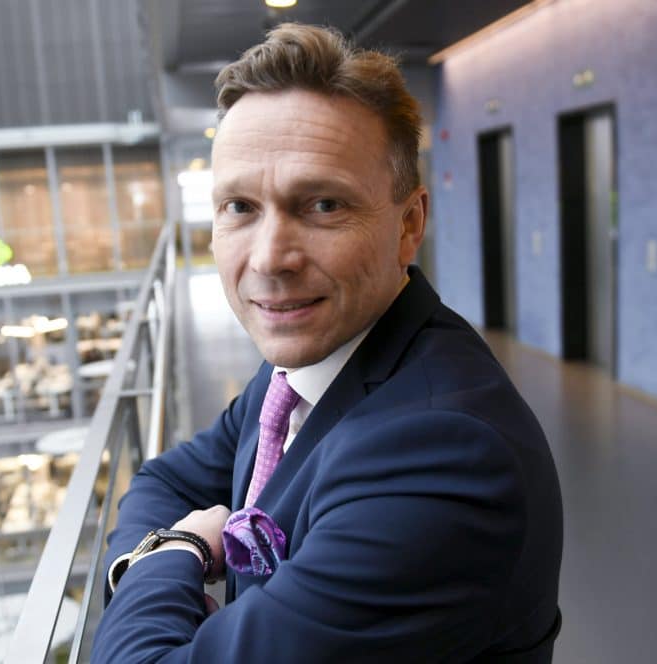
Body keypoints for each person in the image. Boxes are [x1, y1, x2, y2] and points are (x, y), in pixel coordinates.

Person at [93, 23, 562, 663]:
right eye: (239, 207)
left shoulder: (445, 459)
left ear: (409, 224)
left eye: (322, 206)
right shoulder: (308, 365)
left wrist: (174, 552)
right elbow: (166, 480)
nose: (269, 258)